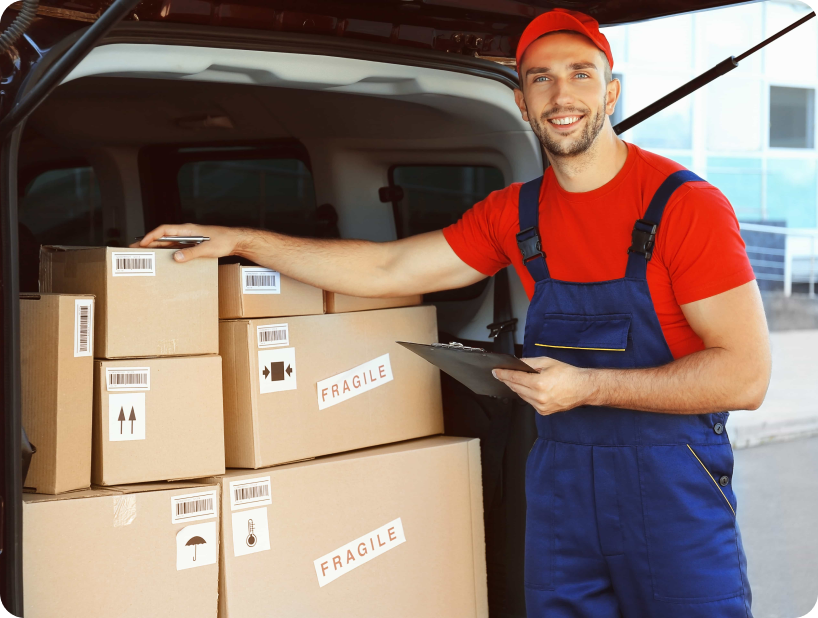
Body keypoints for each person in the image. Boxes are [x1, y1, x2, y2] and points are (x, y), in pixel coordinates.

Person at [136, 8, 770, 617]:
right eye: (540, 78)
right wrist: (245, 242)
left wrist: (589, 386)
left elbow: (745, 376)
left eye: (581, 73)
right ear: (522, 102)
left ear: (612, 92)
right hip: (560, 489)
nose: (561, 94)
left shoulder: (682, 207)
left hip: (671, 493)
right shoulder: (512, 214)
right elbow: (388, 271)